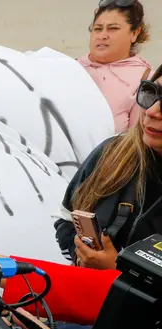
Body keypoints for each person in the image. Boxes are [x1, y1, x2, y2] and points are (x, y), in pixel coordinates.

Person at [55, 64, 162, 270]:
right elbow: (66, 220)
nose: (151, 111)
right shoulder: (112, 152)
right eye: (151, 93)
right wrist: (81, 256)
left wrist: (116, 270)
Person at [78, 0, 151, 133]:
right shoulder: (68, 67)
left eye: (113, 28)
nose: (102, 36)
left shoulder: (144, 80)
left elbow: (135, 143)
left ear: (134, 33)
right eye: (98, 29)